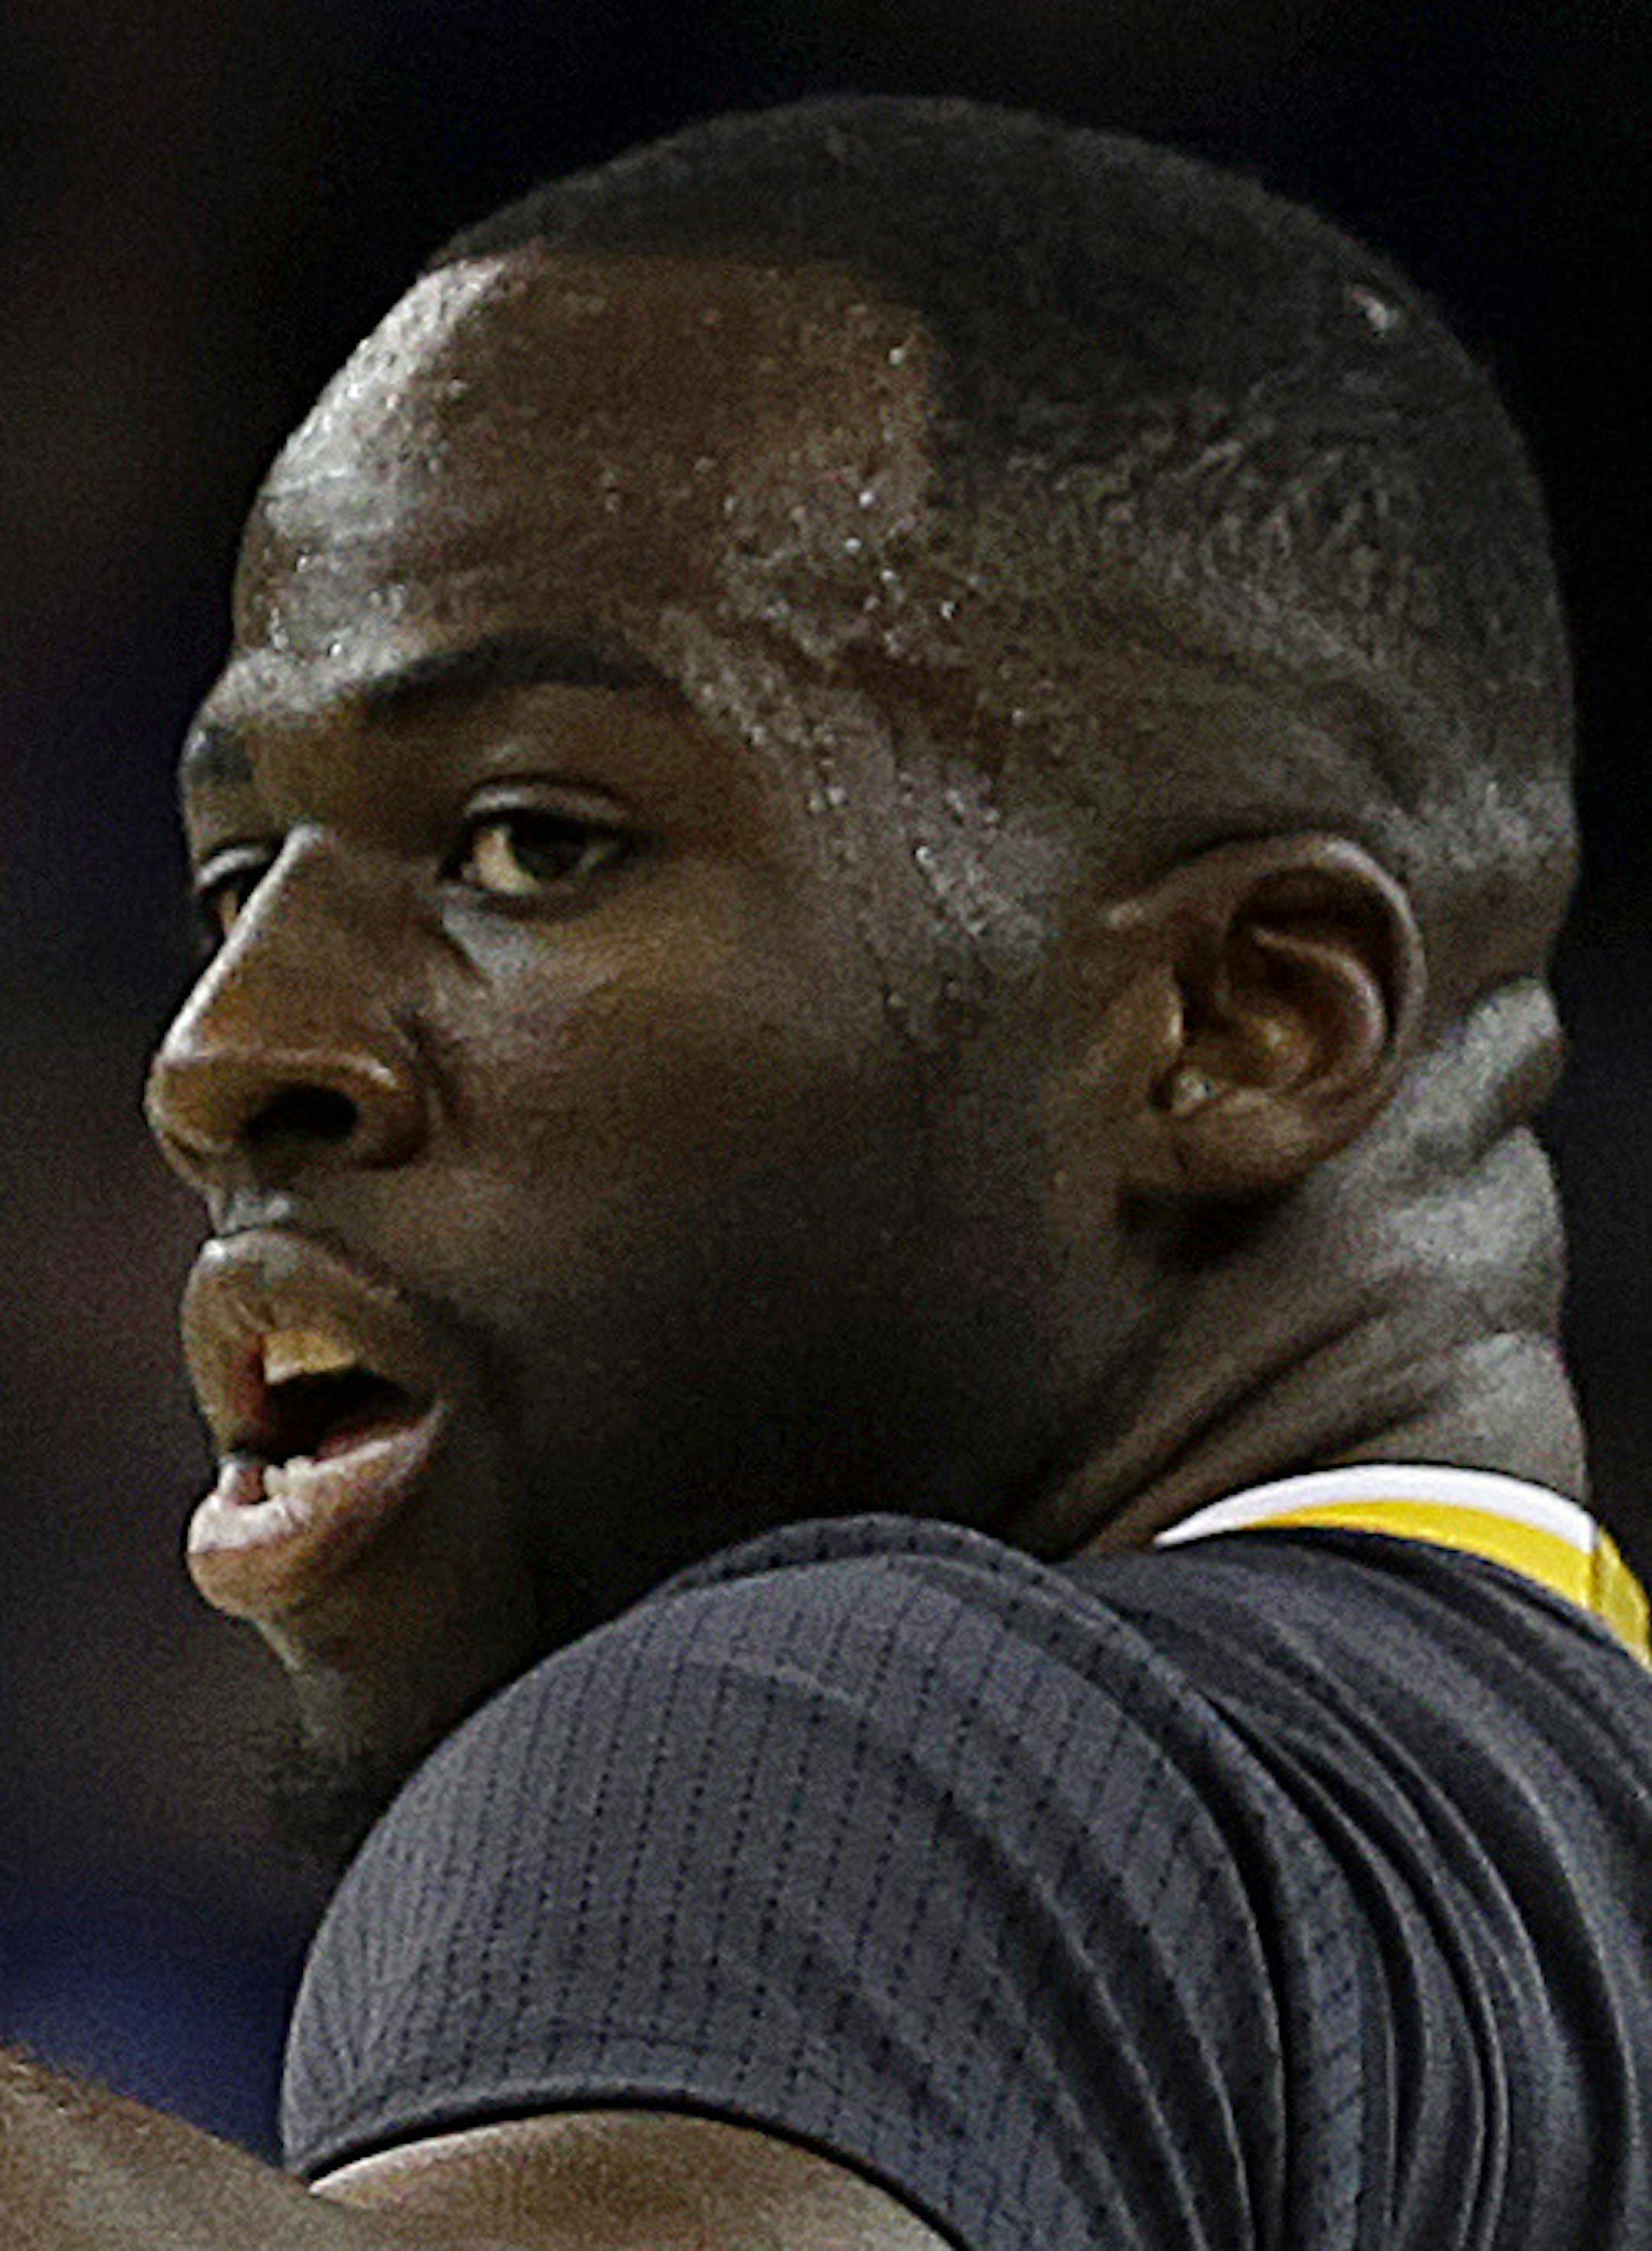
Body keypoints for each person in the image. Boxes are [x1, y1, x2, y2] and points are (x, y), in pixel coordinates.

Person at [3, 95, 1647, 2251]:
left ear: (1245, 1019)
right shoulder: (1515, 1903)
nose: (221, 1060)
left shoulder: (838, 1742)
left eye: (531, 846)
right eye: (237, 881)